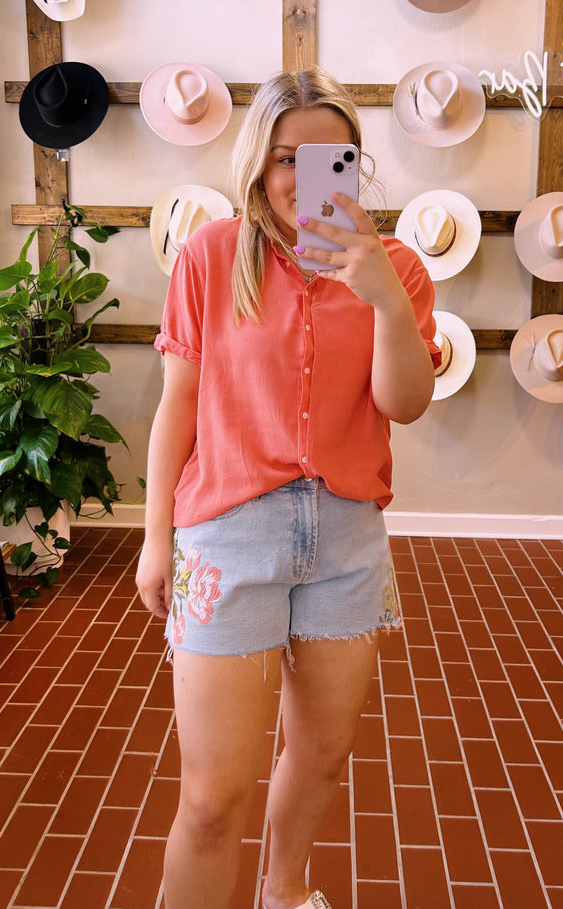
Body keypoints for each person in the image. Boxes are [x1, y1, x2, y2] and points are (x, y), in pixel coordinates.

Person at [135, 67, 440, 909]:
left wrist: (384, 300)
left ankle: (286, 891)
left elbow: (406, 404)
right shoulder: (209, 256)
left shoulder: (398, 269)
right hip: (227, 536)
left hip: (347, 539)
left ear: (354, 162)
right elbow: (177, 407)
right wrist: (155, 539)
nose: (301, 179)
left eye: (326, 158)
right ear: (257, 162)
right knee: (212, 795)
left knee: (322, 754)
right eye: (284, 158)